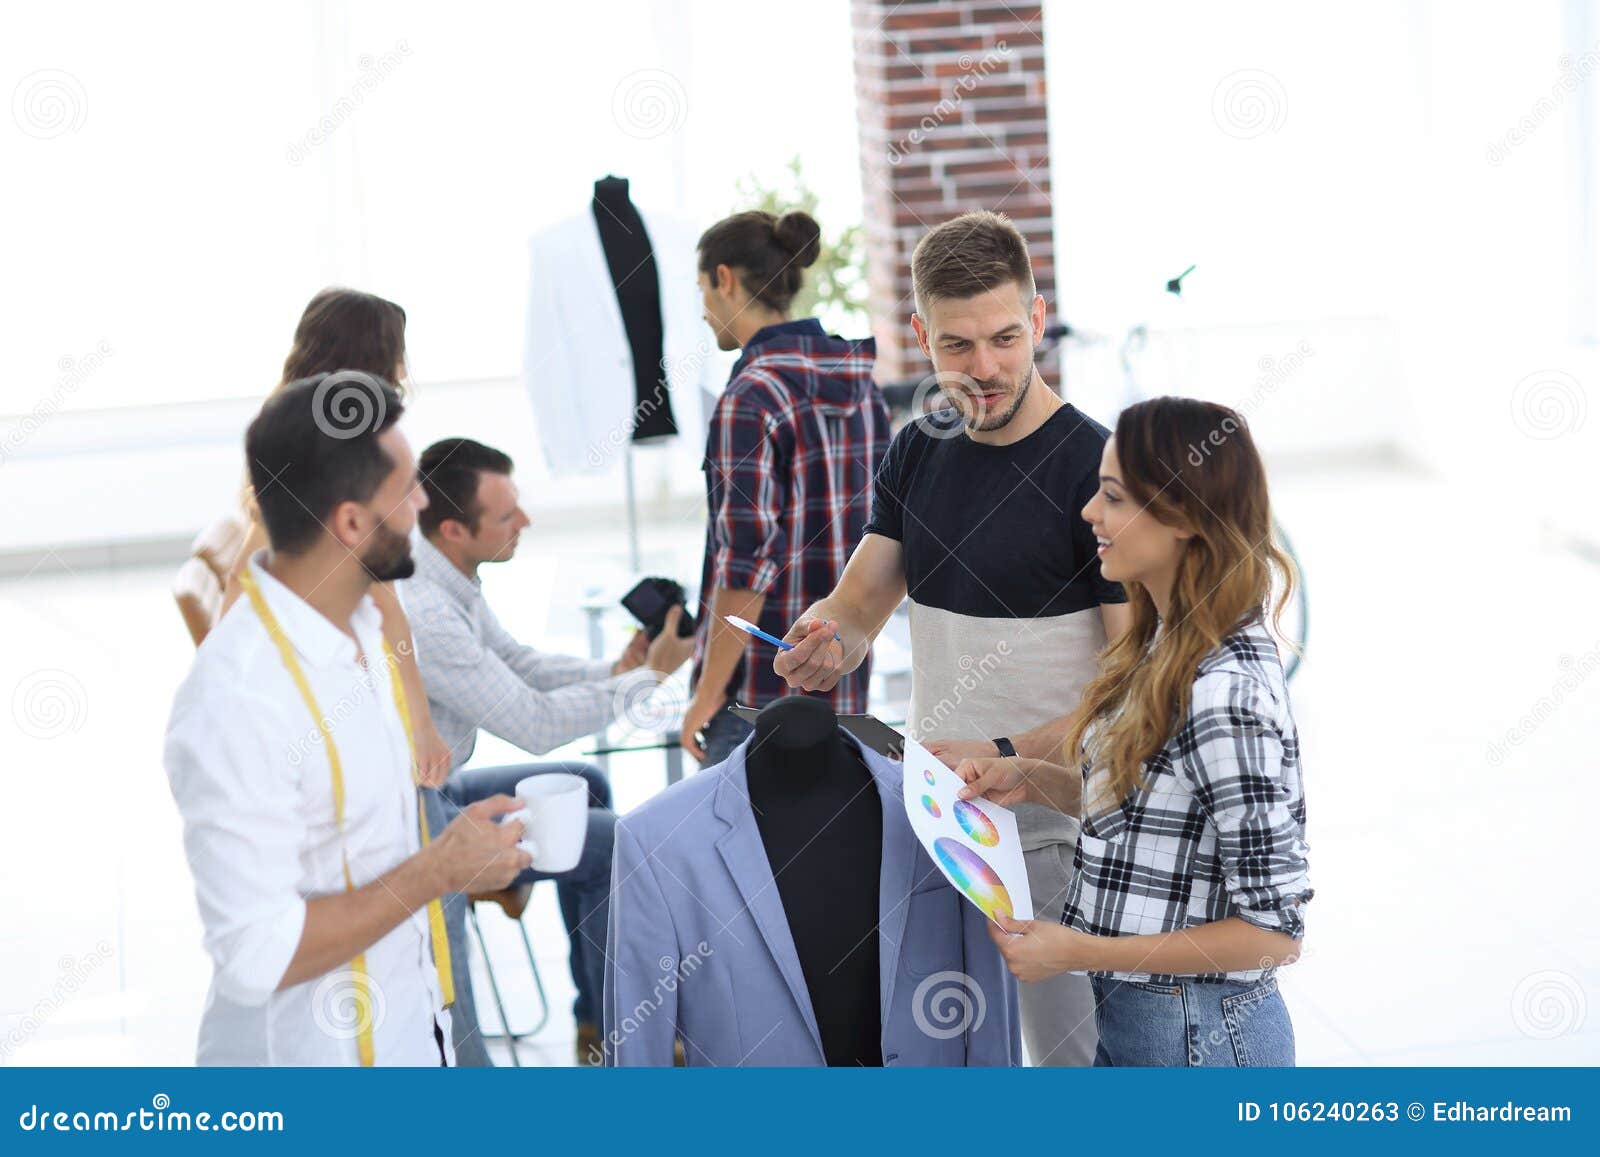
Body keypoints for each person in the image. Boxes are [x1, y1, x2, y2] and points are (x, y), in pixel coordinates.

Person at [773, 210, 1130, 1066]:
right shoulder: (918, 449)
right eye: (958, 346)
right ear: (919, 334)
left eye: (1007, 338)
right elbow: (860, 601)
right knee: (950, 1056)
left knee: (1072, 1069)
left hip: (1058, 825)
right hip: (946, 819)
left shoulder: (1101, 472)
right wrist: (827, 634)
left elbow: (1133, 684)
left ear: (1039, 321)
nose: (986, 369)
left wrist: (1005, 750)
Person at [164, 374, 528, 1065]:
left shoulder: (363, 630)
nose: (423, 501)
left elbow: (360, 843)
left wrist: (459, 851)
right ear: (352, 523)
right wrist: (437, 870)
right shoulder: (237, 698)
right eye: (408, 487)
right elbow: (256, 954)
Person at [956, 396, 1312, 1067]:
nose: (1091, 512)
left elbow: (1273, 931)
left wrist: (1079, 949)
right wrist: (1027, 779)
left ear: (1180, 517)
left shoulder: (1223, 695)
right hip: (1146, 1023)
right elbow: (1157, 817)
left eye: (1114, 497)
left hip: (1201, 1039)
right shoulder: (1165, 642)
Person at [400, 437, 694, 1065]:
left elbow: (518, 664)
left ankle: (595, 1018)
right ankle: (625, 1033)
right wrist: (648, 683)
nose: (525, 522)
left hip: (441, 785)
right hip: (419, 815)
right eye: (507, 517)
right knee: (611, 840)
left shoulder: (443, 572)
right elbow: (532, 721)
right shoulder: (427, 614)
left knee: (584, 782)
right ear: (454, 529)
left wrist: (614, 671)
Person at [220, 288, 455, 789]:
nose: (404, 370)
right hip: (332, 702)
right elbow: (388, 609)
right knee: (455, 725)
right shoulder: (336, 463)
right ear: (374, 362)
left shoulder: (285, 434)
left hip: (317, 677)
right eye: (398, 355)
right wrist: (423, 727)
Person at [680, 208, 890, 766]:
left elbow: (745, 568)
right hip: (841, 694)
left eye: (702, 288)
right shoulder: (859, 384)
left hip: (756, 704)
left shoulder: (750, 397)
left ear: (725, 279)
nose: (703, 310)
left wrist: (703, 698)